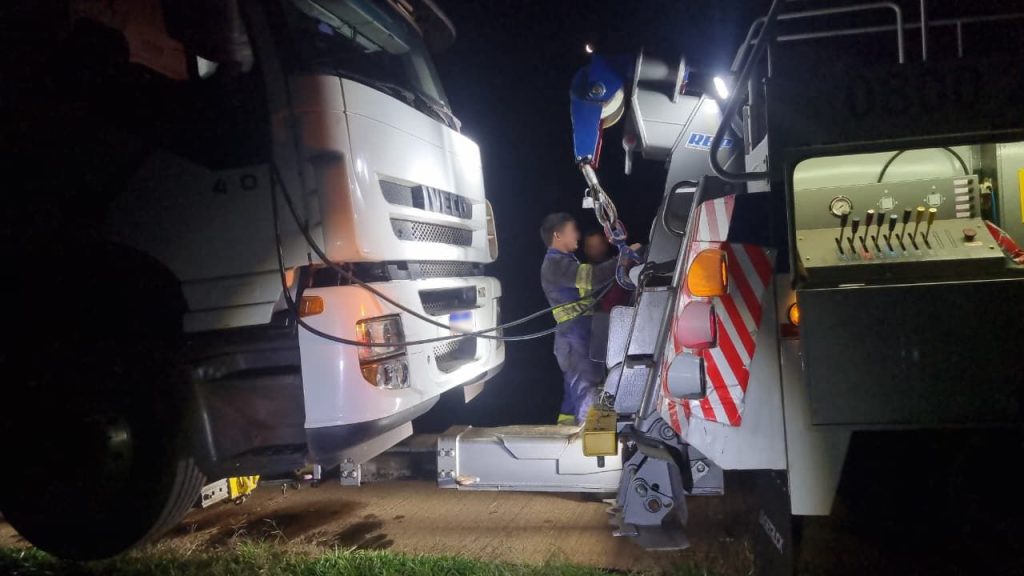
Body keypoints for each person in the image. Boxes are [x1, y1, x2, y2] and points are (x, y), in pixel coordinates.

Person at [539, 213, 640, 426]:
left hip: (576, 334)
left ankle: (565, 434)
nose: (577, 234)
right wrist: (625, 258)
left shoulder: (564, 262)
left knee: (574, 393)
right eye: (572, 230)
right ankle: (592, 440)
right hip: (575, 336)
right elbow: (594, 277)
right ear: (558, 235)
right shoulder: (556, 264)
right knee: (588, 388)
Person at [582, 229, 632, 312]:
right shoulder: (586, 276)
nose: (598, 250)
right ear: (585, 250)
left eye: (600, 244)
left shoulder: (621, 263)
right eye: (592, 247)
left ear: (606, 242)